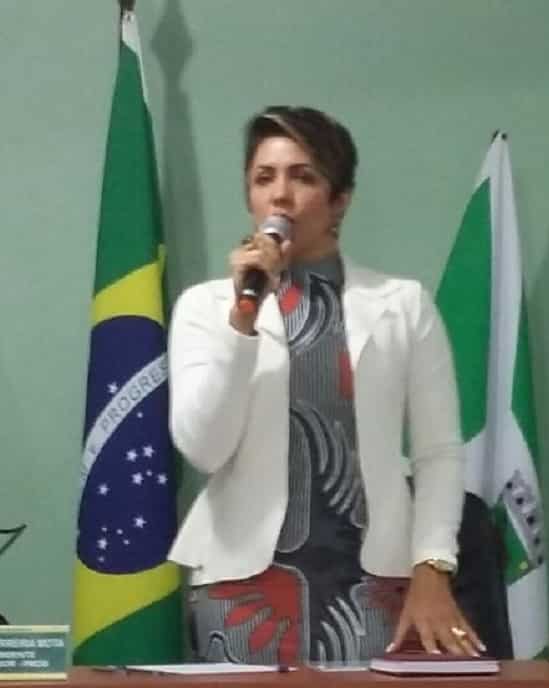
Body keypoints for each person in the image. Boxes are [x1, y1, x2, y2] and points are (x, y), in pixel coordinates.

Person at [167, 106, 483, 665]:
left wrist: (433, 566)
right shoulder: (207, 307)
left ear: (340, 200)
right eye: (264, 178)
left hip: (376, 586)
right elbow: (203, 449)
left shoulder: (403, 305)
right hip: (243, 591)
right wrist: (241, 322)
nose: (280, 195)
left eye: (303, 177)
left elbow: (438, 453)